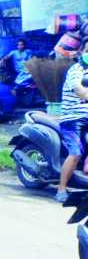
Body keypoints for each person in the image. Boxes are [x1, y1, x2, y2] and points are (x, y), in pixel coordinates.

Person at [54, 38, 88, 203]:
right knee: (76, 153)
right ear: (82, 52)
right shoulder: (77, 69)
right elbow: (79, 91)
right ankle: (61, 189)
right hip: (73, 118)